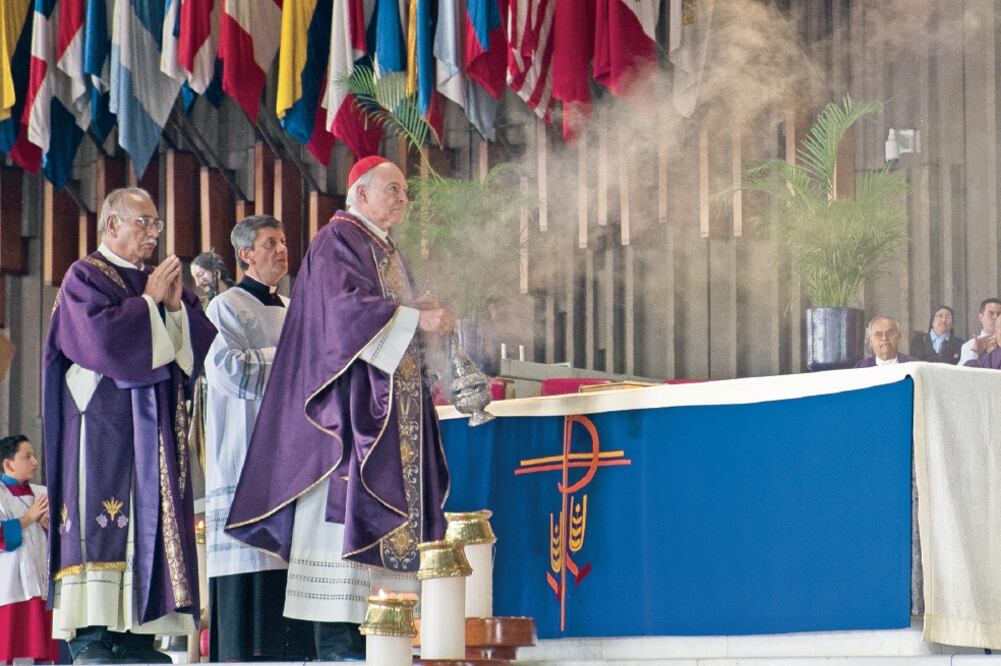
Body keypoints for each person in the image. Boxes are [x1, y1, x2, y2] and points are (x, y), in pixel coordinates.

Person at [225, 156, 454, 660]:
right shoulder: (339, 240)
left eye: (404, 191)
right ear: (360, 193)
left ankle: (379, 639)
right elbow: (342, 315)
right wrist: (415, 317)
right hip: (349, 416)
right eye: (392, 189)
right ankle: (335, 644)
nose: (402, 198)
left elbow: (396, 315)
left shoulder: (385, 248)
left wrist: (424, 316)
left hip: (390, 411)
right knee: (339, 527)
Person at [42, 187, 216, 664]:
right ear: (112, 225)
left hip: (153, 433)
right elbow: (100, 341)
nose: (152, 234)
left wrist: (177, 308)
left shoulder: (153, 280)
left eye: (156, 225)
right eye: (143, 223)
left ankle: (140, 634)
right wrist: (148, 302)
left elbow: (195, 354)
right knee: (103, 521)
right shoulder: (84, 276)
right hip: (102, 431)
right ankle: (93, 636)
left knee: (150, 522)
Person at [202, 216, 314, 661]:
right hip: (244, 451)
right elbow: (232, 371)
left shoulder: (292, 308)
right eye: (271, 242)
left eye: (284, 241)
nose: (282, 249)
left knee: (287, 575)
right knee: (250, 570)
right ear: (246, 254)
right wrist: (292, 358)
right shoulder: (224, 306)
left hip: (292, 456)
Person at [0, 435, 60, 664]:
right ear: (8, 463)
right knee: (11, 649)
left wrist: (47, 526)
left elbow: (62, 535)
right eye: (27, 456)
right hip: (10, 586)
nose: (34, 461)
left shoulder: (42, 492)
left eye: (33, 455)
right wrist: (28, 518)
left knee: (41, 652)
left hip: (41, 582)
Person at [957, 298, 1001, 365]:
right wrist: (975, 352)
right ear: (981, 317)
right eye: (991, 313)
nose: (995, 317)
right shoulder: (969, 346)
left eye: (999, 314)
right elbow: (961, 372)